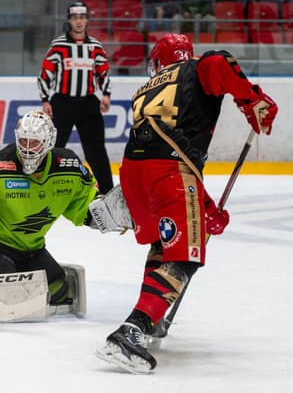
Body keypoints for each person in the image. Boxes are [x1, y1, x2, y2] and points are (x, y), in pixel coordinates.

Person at [95, 33, 278, 374]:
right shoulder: (192, 70)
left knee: (164, 246)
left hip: (135, 172)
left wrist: (204, 208)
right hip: (169, 170)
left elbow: (161, 146)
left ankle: (150, 317)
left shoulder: (147, 87)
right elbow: (218, 61)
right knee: (185, 257)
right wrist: (252, 100)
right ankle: (131, 330)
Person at [0, 110, 131, 308]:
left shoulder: (69, 168)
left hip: (31, 249)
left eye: (35, 143)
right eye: (23, 141)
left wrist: (106, 213)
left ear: (49, 142)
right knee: (7, 290)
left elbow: (82, 205)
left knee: (58, 287)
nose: (28, 148)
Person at [38, 1, 114, 195]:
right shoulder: (59, 45)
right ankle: (44, 189)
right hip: (62, 103)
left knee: (96, 150)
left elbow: (103, 72)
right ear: (69, 20)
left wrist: (105, 94)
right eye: (75, 17)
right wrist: (45, 99)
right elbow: (46, 73)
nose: (79, 21)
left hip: (88, 102)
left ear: (87, 19)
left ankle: (108, 193)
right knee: (54, 147)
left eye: (82, 17)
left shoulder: (95, 46)